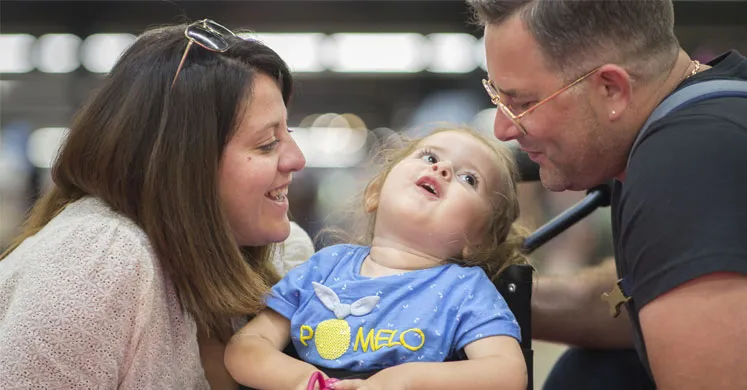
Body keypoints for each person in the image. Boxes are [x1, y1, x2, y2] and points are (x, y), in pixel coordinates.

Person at [0, 19, 307, 389]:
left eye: (287, 133)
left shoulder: (282, 255)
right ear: (182, 163)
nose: (297, 159)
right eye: (266, 144)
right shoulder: (99, 260)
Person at [467, 0, 747, 388]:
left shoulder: (685, 164)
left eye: (522, 103)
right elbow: (652, 295)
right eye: (497, 98)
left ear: (611, 89)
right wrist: (468, 299)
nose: (503, 129)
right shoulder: (718, 107)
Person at [224, 127, 529, 390]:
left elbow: (508, 372)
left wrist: (406, 380)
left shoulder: (465, 290)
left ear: (478, 243)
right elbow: (246, 348)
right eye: (430, 157)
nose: (443, 169)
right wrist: (309, 380)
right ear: (375, 193)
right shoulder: (323, 268)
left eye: (469, 178)